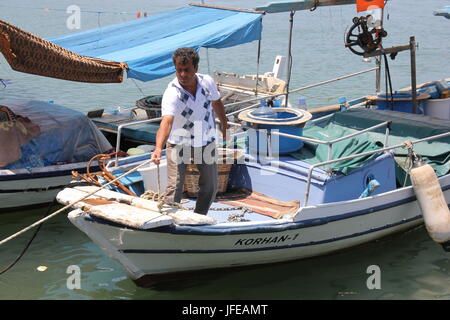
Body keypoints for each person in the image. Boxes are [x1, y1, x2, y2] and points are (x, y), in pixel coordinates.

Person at [151, 47, 227, 215]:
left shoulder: (207, 82)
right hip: (179, 143)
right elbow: (167, 122)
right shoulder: (172, 93)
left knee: (211, 186)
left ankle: (199, 216)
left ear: (196, 69)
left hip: (205, 140)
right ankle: (169, 218)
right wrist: (158, 147)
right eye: (179, 70)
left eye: (187, 70)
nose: (183, 75)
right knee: (174, 185)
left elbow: (217, 102)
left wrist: (224, 123)